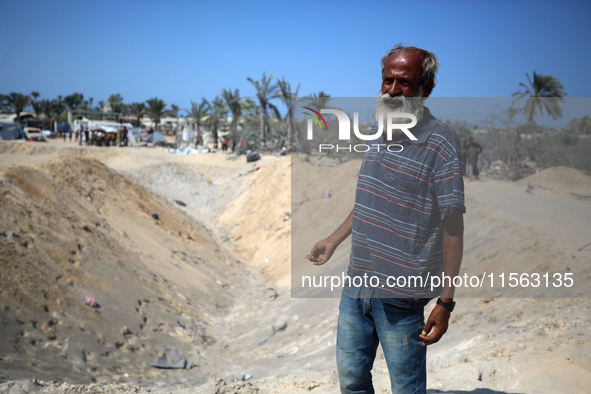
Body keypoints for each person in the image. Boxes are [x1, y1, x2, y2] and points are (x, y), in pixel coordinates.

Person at [306, 44, 465, 393]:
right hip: (357, 283)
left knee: (406, 387)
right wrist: (333, 240)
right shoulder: (379, 132)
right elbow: (369, 199)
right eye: (387, 80)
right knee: (351, 378)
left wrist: (445, 301)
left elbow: (453, 225)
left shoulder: (442, 143)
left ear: (427, 87)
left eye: (404, 82)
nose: (392, 91)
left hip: (401, 293)